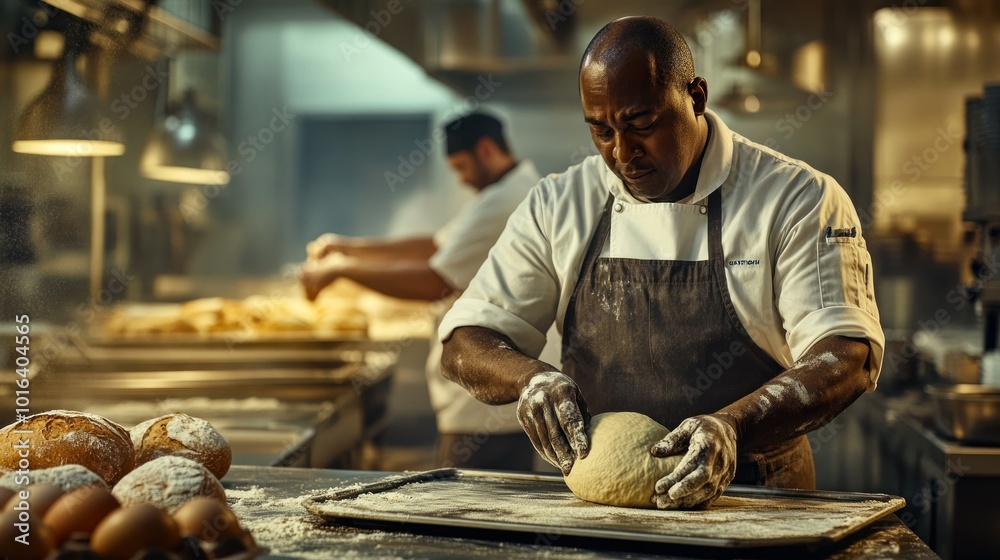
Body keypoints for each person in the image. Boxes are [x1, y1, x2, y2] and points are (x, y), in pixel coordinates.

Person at [439, 16, 884, 509]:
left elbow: (847, 354)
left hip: (754, 500)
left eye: (641, 124)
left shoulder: (794, 198)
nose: (623, 152)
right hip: (603, 508)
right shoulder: (559, 204)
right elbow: (465, 341)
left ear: (695, 96)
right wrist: (531, 379)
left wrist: (732, 426)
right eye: (601, 131)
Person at [300, 112, 542, 471]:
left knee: (467, 516)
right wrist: (347, 248)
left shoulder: (506, 199)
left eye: (461, 167)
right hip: (486, 399)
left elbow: (435, 280)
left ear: (487, 149)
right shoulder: (505, 191)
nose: (460, 179)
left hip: (486, 404)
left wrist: (342, 270)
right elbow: (435, 246)